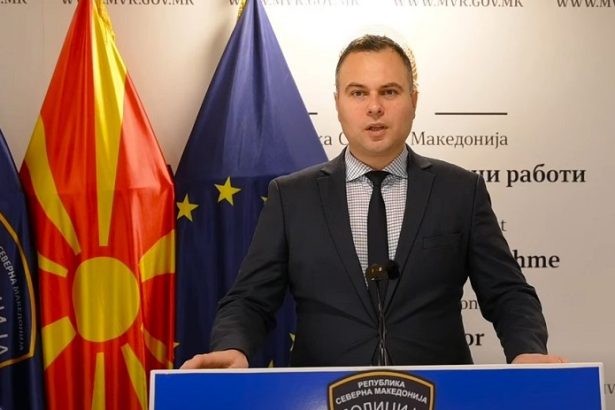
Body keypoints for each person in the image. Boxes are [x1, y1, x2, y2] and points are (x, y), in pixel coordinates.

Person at [181, 34, 565, 369]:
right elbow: (250, 299)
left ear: (414, 100)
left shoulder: (461, 190)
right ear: (338, 103)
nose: (374, 107)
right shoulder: (291, 197)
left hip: (437, 394)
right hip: (324, 395)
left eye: (389, 91)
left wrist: (526, 351)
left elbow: (507, 292)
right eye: (358, 92)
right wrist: (232, 346)